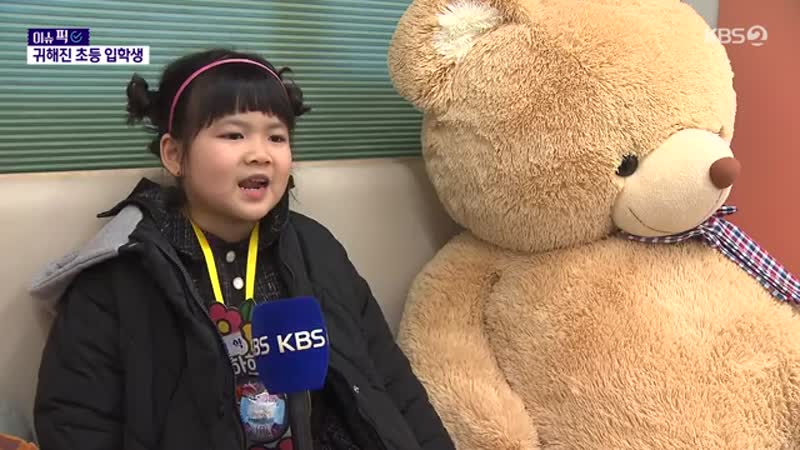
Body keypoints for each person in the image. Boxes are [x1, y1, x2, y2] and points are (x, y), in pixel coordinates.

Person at [31, 48, 455, 450]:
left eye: (277, 137)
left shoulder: (316, 250)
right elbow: (76, 420)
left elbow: (390, 382)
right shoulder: (121, 271)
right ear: (174, 154)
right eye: (234, 134)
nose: (260, 154)